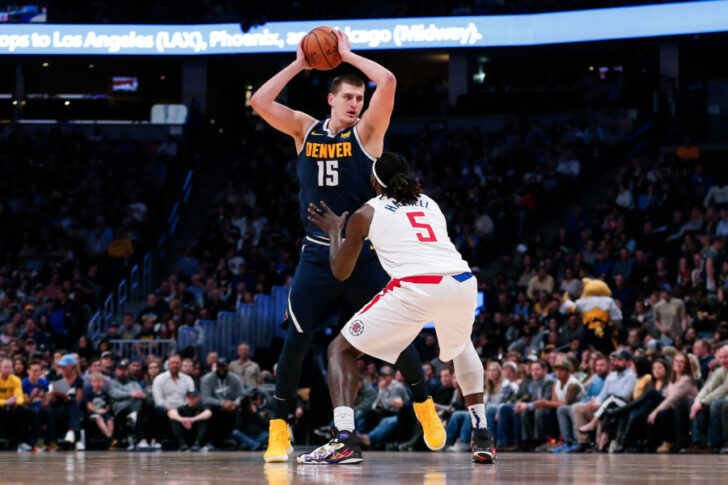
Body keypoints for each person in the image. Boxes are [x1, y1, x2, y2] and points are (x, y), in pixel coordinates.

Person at [251, 31, 430, 463]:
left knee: (398, 336)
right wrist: (300, 63)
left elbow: (386, 81)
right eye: (347, 97)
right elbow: (259, 101)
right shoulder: (302, 129)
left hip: (362, 252)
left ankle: (426, 408)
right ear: (331, 100)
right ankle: (279, 431)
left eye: (358, 97)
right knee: (295, 341)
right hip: (316, 253)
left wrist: (347, 55)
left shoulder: (368, 134)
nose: (355, 103)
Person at [297, 152, 495, 464]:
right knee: (461, 346)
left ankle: (345, 440)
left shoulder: (366, 212)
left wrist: (337, 231)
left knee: (340, 350)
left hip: (416, 286)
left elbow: (340, 271)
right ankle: (482, 434)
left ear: (375, 181)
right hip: (461, 281)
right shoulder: (430, 203)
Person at [200, 357, 244, 445]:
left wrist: (235, 403)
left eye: (223, 366)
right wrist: (222, 403)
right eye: (219, 366)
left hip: (232, 406)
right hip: (215, 406)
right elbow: (205, 398)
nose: (221, 369)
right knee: (208, 410)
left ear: (227, 367)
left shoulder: (236, 379)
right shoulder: (207, 379)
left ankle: (236, 439)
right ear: (216, 367)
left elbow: (241, 394)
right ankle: (210, 441)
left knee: (242, 408)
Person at [0, 358, 32, 451]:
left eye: (10, 367)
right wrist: (5, 402)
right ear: (0, 368)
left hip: (11, 405)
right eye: (5, 367)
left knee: (22, 410)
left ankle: (20, 442)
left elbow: (20, 398)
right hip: (2, 405)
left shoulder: (16, 380)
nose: (8, 370)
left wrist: (14, 401)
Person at [22, 359, 52, 450]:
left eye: (38, 371)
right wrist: (32, 396)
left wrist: (46, 401)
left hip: (41, 405)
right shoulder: (24, 383)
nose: (37, 373)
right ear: (28, 371)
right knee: (36, 412)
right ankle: (36, 441)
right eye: (34, 371)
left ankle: (50, 441)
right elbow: (25, 401)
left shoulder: (44, 382)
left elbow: (47, 396)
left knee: (50, 411)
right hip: (30, 406)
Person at [83, 372, 114, 440]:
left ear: (102, 383)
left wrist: (105, 410)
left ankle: (110, 436)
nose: (97, 383)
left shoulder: (104, 393)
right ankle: (109, 437)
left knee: (110, 420)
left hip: (103, 411)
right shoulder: (90, 392)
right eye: (95, 382)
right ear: (91, 383)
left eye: (99, 381)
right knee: (99, 419)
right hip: (93, 412)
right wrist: (97, 411)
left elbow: (108, 405)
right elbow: (89, 405)